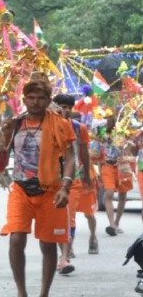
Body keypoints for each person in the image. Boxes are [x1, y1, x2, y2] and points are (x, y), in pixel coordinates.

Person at [0, 78, 76, 297]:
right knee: (16, 239)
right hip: (21, 189)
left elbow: (71, 158)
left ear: (48, 101)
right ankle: (21, 296)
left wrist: (65, 186)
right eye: (31, 97)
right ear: (24, 100)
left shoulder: (61, 124)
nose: (35, 102)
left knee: (48, 244)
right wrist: (1, 135)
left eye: (41, 98)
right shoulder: (15, 124)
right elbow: (0, 151)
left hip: (51, 189)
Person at [52, 94, 96, 273]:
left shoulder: (79, 128)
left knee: (68, 217)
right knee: (55, 218)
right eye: (62, 106)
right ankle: (61, 253)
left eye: (69, 107)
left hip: (73, 179)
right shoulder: (47, 125)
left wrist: (87, 174)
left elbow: (84, 152)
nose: (66, 110)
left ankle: (65, 258)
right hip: (51, 180)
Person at [100, 117, 133, 236]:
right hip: (107, 166)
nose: (108, 122)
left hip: (122, 166)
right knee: (109, 193)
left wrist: (126, 144)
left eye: (110, 120)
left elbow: (129, 151)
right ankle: (112, 223)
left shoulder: (124, 133)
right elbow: (98, 153)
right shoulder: (102, 135)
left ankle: (117, 222)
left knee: (123, 195)